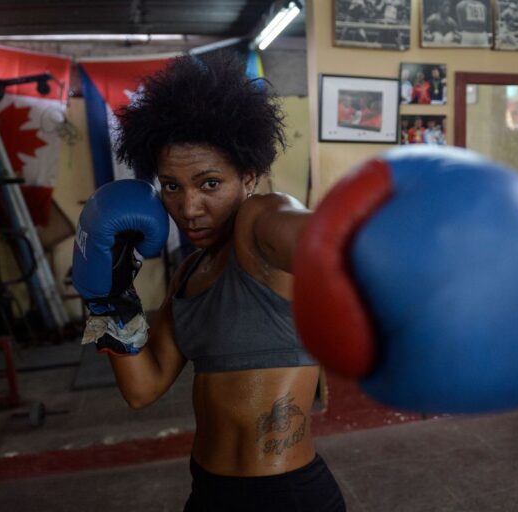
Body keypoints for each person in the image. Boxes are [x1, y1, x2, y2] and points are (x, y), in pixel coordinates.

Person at [82, 53, 346, 511]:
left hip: (285, 497)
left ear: (247, 176)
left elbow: (319, 243)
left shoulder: (260, 224)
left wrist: (362, 245)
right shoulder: (188, 274)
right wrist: (108, 299)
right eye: (171, 186)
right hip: (207, 492)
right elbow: (142, 389)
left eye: (208, 184)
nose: (188, 208)